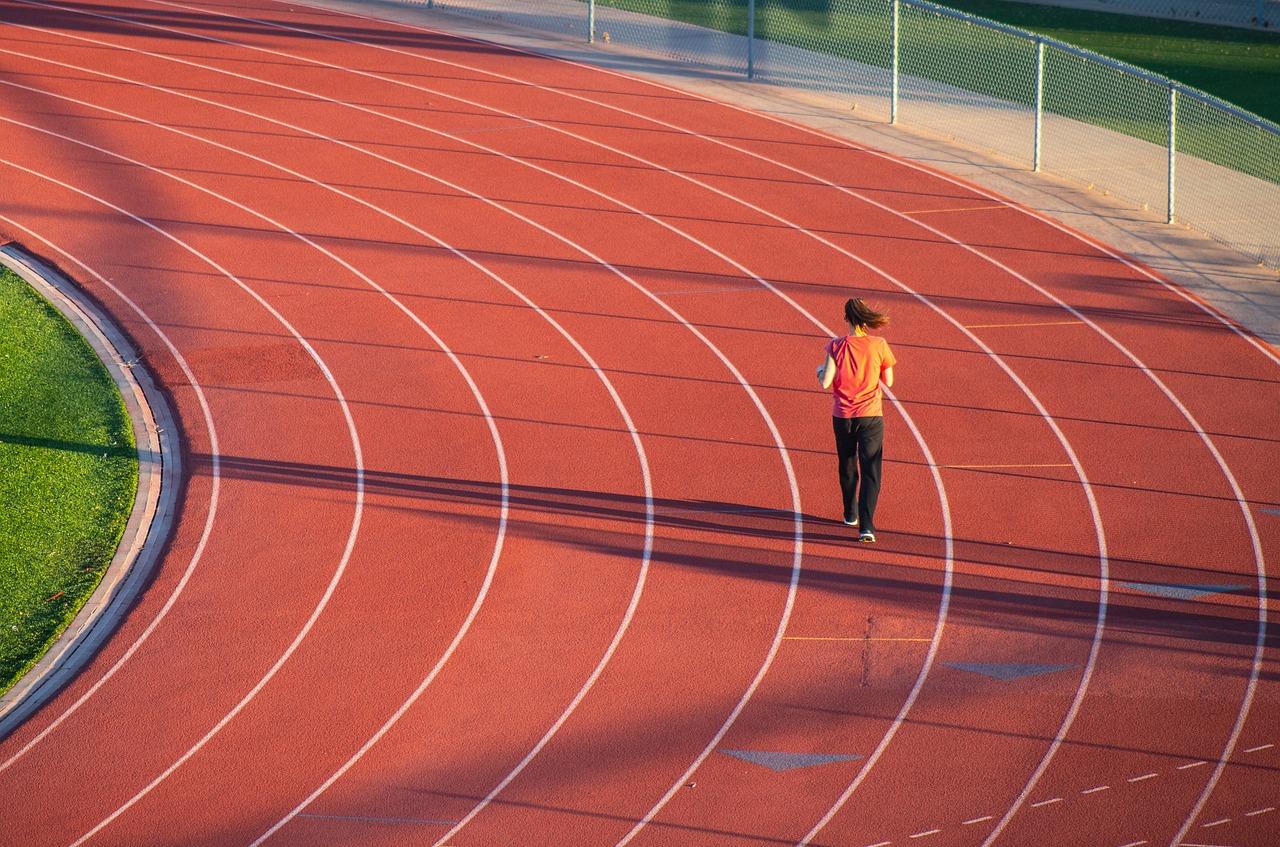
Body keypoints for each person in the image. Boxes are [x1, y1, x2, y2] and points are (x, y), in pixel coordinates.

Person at [816, 298, 896, 542]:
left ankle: (850, 513)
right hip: (871, 415)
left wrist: (820, 370)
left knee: (848, 464)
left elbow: (826, 381)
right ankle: (867, 527)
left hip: (843, 416)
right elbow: (889, 381)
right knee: (871, 469)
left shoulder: (836, 345)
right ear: (866, 318)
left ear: (846, 319)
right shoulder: (879, 345)